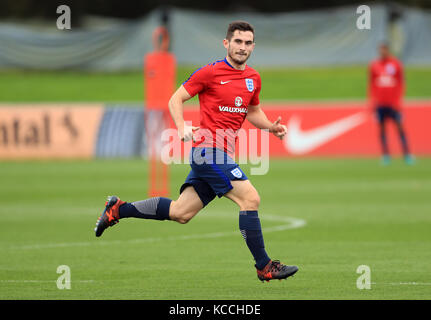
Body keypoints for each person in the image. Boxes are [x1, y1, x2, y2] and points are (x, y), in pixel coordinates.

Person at [94, 21, 298, 282]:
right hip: (207, 152)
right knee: (250, 199)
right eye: (238, 41)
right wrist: (181, 126)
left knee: (181, 213)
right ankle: (264, 266)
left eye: (248, 43)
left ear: (253, 47)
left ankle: (118, 209)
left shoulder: (253, 79)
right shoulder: (210, 73)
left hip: (223, 154)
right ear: (226, 43)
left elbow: (253, 111)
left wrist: (271, 127)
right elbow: (175, 98)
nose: (242, 47)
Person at [368, 42, 414, 165]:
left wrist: (398, 101)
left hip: (393, 104)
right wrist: (372, 101)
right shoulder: (374, 65)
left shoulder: (395, 64)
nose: (382, 52)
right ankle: (386, 155)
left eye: (384, 50)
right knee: (382, 129)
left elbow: (401, 83)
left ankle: (407, 154)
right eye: (380, 50)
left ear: (388, 50)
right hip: (380, 105)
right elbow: (372, 84)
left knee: (399, 127)